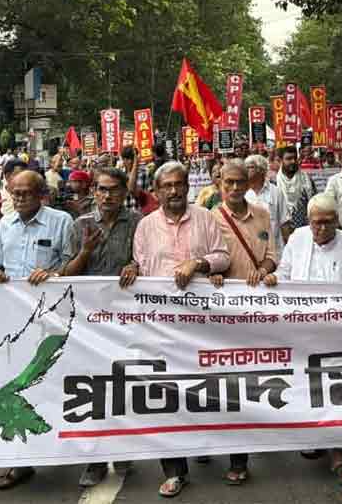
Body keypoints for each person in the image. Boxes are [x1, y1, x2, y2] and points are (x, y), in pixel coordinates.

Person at [265, 192, 342, 486]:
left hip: (336, 333)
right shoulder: (297, 239)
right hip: (301, 332)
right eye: (316, 223)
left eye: (328, 223)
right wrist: (274, 279)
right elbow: (285, 274)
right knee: (305, 387)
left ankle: (337, 454)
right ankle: (313, 438)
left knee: (331, 390)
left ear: (337, 221)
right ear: (309, 221)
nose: (321, 229)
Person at [132, 161, 229, 498]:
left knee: (204, 390)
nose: (174, 191)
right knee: (164, 394)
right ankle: (174, 470)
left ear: (188, 186)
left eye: (179, 184)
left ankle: (205, 442)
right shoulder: (145, 226)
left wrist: (199, 264)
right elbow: (141, 268)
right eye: (167, 186)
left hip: (202, 325)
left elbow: (222, 257)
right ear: (156, 191)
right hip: (160, 326)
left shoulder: (205, 217)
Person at [55, 167, 141, 488]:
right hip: (88, 322)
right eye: (102, 190)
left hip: (126, 318)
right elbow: (65, 273)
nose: (107, 196)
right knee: (92, 388)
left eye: (114, 190)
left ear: (124, 193)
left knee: (123, 383)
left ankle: (121, 446)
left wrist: (136, 266)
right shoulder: (80, 226)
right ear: (94, 191)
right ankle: (93, 460)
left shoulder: (137, 224)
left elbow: (145, 264)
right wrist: (86, 252)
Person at [0, 169, 73, 491]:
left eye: (26, 193)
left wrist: (53, 273)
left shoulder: (61, 221)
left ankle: (62, 448)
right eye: (15, 192)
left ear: (41, 195)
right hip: (14, 321)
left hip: (51, 318)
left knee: (51, 384)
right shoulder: (5, 224)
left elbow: (73, 265)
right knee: (14, 386)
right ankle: (20, 461)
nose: (19, 198)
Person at [208, 159, 277, 486]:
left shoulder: (262, 214)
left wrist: (263, 270)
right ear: (220, 184)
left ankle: (241, 455)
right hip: (220, 314)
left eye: (240, 183)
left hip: (256, 311)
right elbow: (205, 260)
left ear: (249, 183)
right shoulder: (208, 219)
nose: (234, 189)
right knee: (221, 383)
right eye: (228, 183)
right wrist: (214, 275)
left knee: (251, 381)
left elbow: (272, 255)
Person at [244, 154, 290, 255]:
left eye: (250, 167)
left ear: (261, 170)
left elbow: (284, 223)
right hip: (250, 251)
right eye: (245, 167)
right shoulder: (242, 193)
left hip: (275, 250)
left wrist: (290, 249)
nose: (246, 169)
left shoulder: (276, 192)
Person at [275, 146, 316, 231]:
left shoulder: (307, 180)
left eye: (294, 158)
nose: (293, 161)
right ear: (281, 160)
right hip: (282, 231)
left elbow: (314, 204)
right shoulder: (274, 183)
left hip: (304, 229)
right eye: (289, 159)